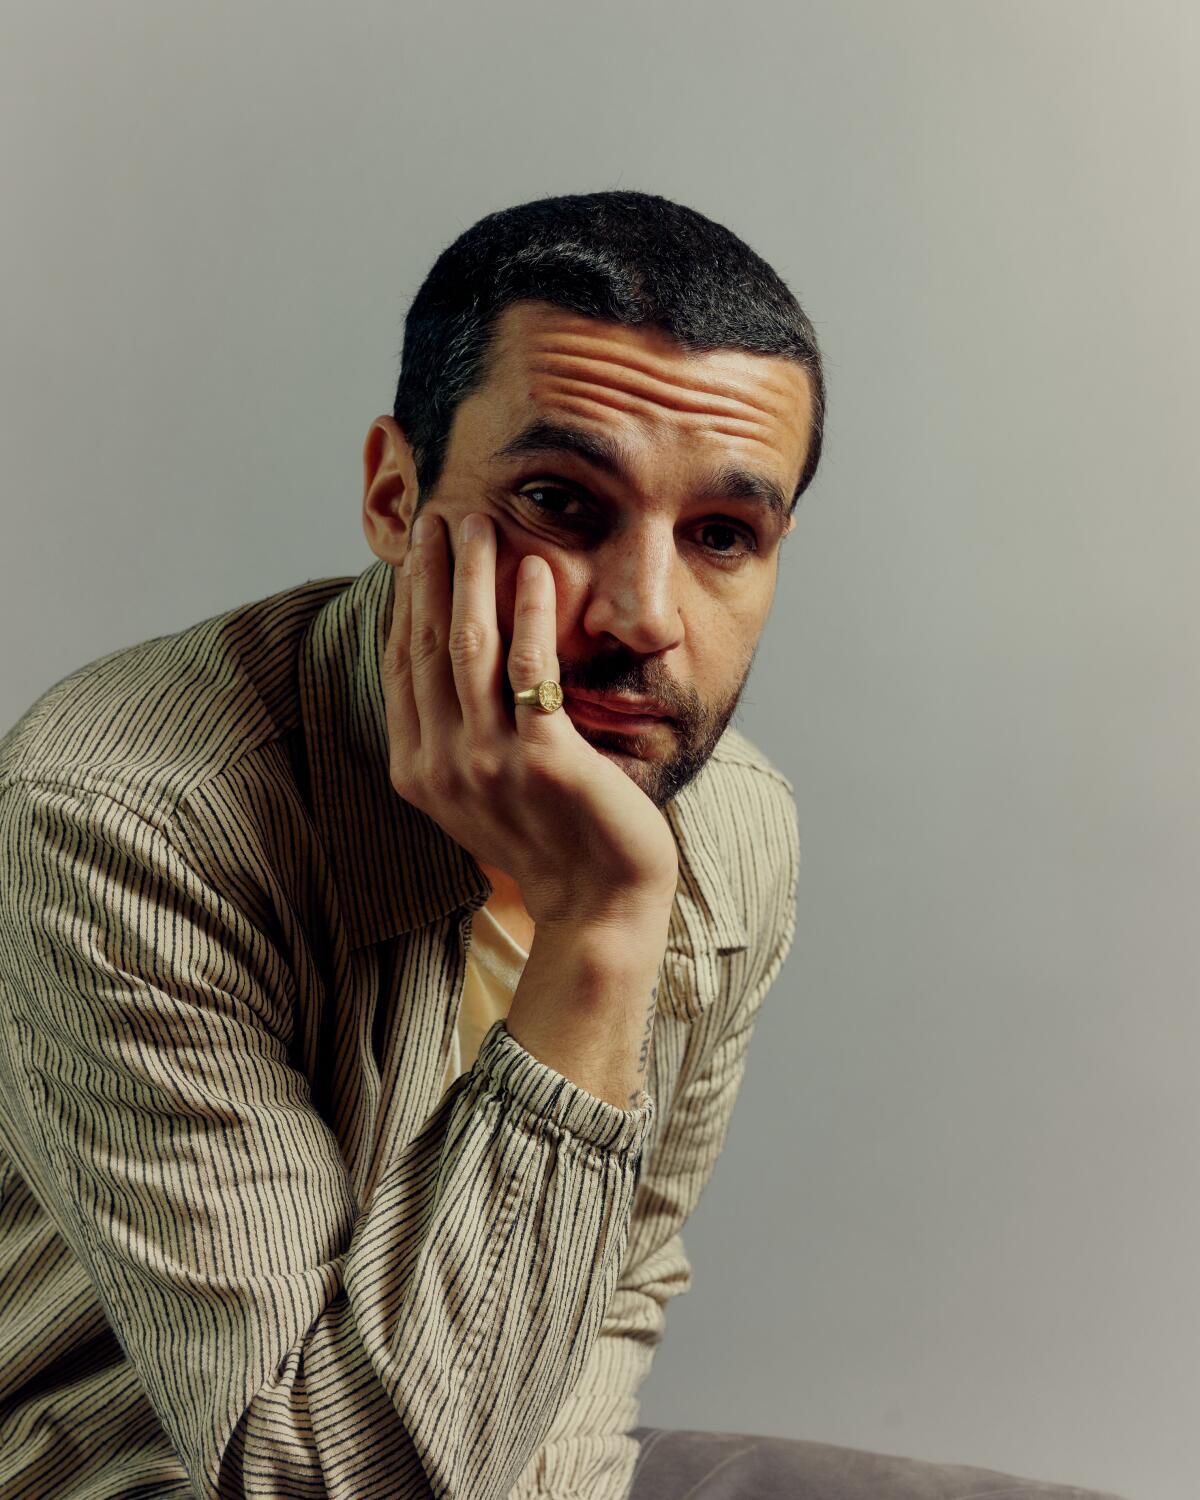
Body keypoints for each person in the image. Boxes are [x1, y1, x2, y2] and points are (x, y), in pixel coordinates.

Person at [0, 191, 1128, 1500]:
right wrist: (597, 931)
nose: (647, 616)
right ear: (392, 492)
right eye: (561, 503)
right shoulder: (124, 819)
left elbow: (615, 1293)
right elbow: (313, 1484)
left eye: (722, 535)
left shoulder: (728, 824)